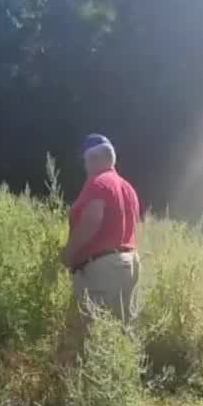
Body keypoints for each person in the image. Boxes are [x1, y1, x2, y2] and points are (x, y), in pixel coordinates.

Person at [57, 133, 142, 364]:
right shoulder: (128, 188)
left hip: (102, 269)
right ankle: (121, 376)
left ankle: (74, 380)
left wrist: (69, 253)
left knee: (84, 334)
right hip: (130, 263)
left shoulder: (98, 182)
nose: (85, 166)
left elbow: (92, 219)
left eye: (86, 161)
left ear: (95, 159)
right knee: (121, 332)